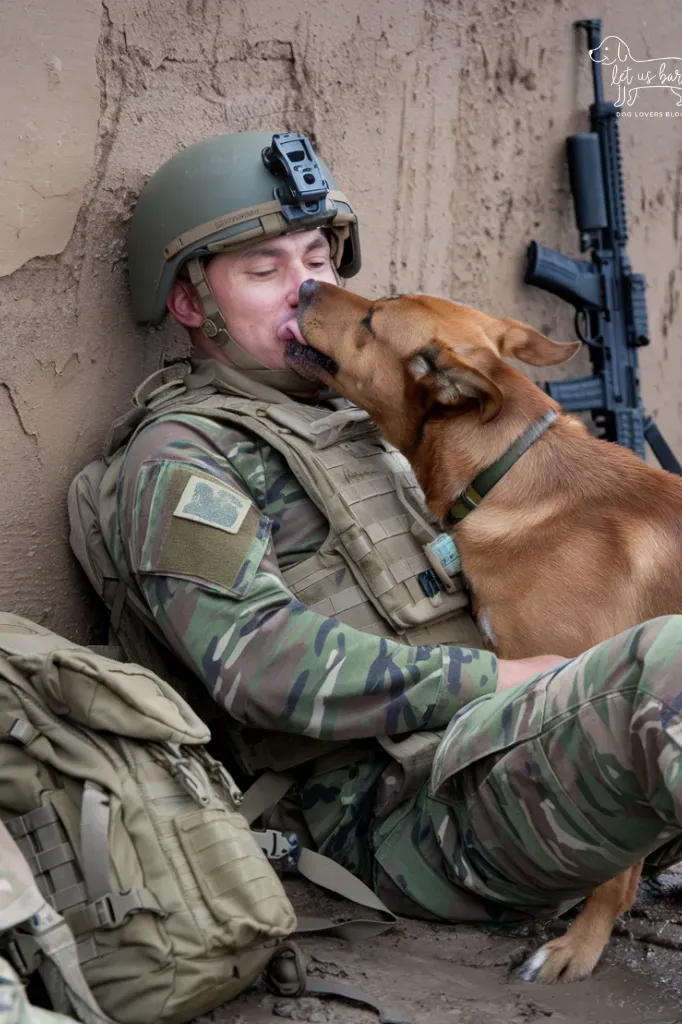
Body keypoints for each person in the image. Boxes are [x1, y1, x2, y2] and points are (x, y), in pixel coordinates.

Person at [69, 130, 682, 963]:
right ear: (190, 305)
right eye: (265, 269)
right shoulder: (182, 458)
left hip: (504, 748)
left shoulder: (371, 421)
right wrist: (494, 678)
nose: (306, 287)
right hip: (403, 819)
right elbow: (261, 667)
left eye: (316, 256)